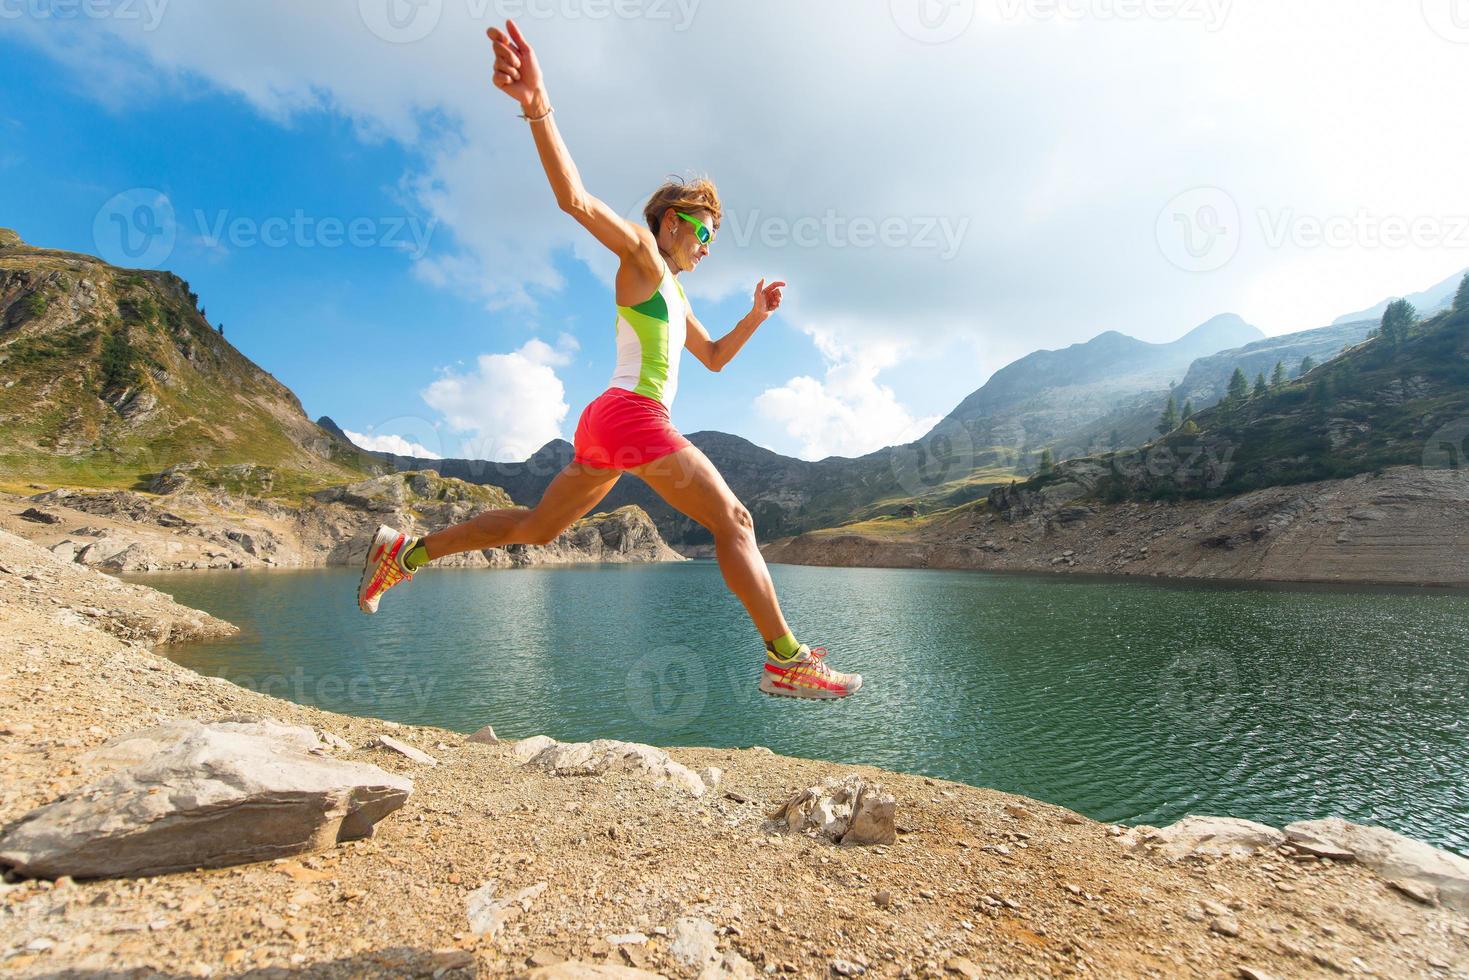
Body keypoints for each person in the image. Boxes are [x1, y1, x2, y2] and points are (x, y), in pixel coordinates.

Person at [356, 19, 861, 700]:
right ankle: (786, 658)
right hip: (630, 414)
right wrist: (538, 106)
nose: (708, 245)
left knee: (536, 529)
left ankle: (404, 553)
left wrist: (755, 317)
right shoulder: (645, 257)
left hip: (606, 424)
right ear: (674, 222)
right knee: (735, 522)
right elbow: (574, 199)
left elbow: (711, 358)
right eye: (706, 230)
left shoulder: (673, 295)